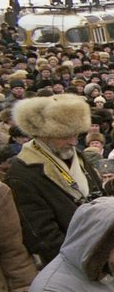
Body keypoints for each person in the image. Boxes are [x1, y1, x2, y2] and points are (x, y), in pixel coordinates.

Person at [8, 94, 102, 265]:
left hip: (99, 248)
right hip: (70, 261)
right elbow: (41, 234)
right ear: (43, 135)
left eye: (76, 135)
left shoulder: (78, 157)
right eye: (65, 135)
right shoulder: (22, 171)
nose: (73, 142)